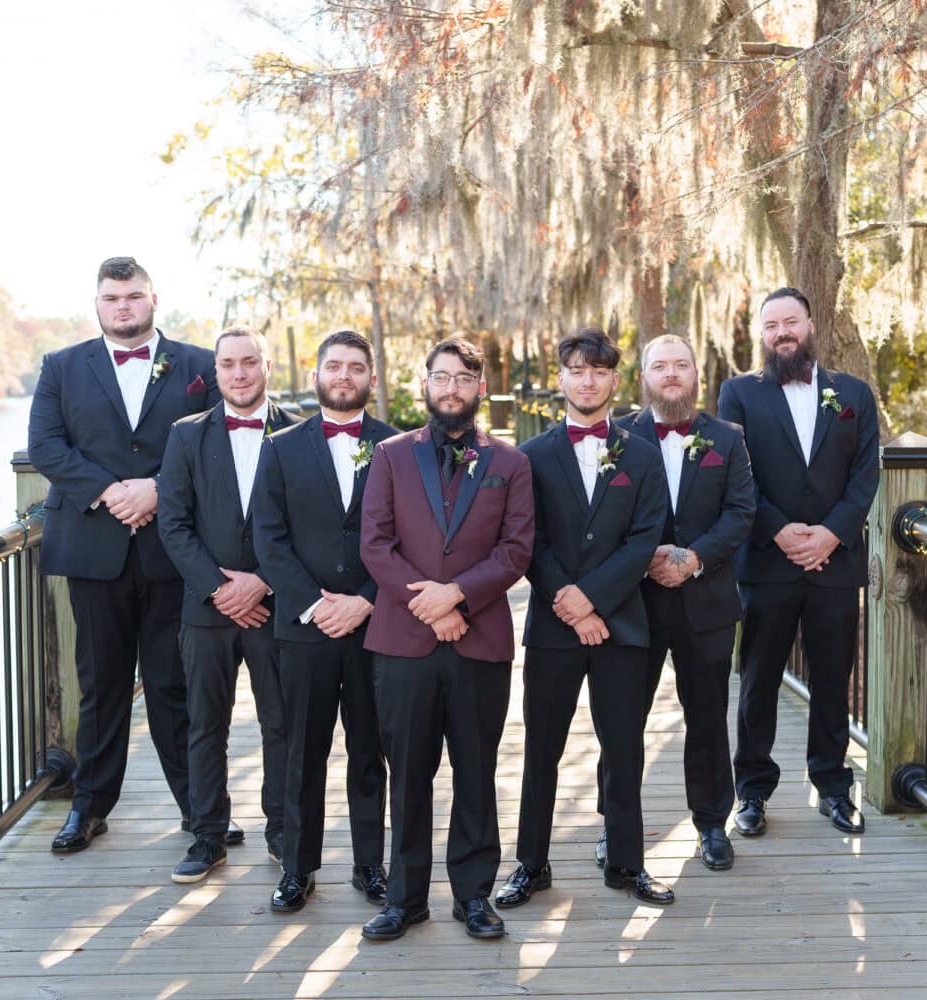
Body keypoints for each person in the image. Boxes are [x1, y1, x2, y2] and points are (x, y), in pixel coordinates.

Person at [27, 256, 219, 854]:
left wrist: (159, 488)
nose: (123, 307)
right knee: (101, 683)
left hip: (175, 551)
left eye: (133, 296)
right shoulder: (62, 366)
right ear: (98, 304)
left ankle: (200, 809)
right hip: (94, 547)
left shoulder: (198, 365)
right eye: (112, 299)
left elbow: (218, 435)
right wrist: (112, 492)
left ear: (154, 299)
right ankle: (89, 806)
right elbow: (46, 447)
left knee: (173, 684)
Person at [357, 337, 534, 942]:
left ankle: (474, 896)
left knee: (477, 770)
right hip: (403, 643)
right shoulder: (389, 455)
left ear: (479, 388)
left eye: (463, 378)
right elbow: (375, 544)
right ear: (424, 386)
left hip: (480, 640)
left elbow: (516, 550)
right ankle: (404, 899)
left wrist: (456, 596)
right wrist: (429, 605)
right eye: (441, 377)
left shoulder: (510, 464)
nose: (451, 388)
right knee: (407, 773)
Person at [496, 328, 673, 910]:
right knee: (542, 747)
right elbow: (527, 538)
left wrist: (592, 602)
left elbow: (646, 537)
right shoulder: (532, 456)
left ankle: (627, 864)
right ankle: (530, 865)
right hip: (553, 626)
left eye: (598, 371)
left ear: (614, 381)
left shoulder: (642, 457)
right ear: (561, 378)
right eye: (577, 370)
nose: (587, 380)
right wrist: (567, 602)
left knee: (623, 747)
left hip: (622, 625)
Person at [718, 287, 880, 837]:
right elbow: (734, 471)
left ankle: (834, 787)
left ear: (810, 326)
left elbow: (865, 474)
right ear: (761, 335)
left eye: (790, 322)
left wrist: (832, 535)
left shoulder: (852, 393)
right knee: (758, 681)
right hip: (767, 561)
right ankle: (753, 793)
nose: (781, 333)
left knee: (834, 678)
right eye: (771, 326)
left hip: (834, 565)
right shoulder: (739, 394)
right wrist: (780, 530)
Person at [251, 330, 398, 913]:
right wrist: (314, 603)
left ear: (371, 379)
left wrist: (364, 600)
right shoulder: (280, 447)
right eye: (334, 366)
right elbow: (268, 539)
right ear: (316, 375)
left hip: (374, 626)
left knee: (370, 749)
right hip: (302, 629)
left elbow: (403, 538)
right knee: (300, 753)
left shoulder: (396, 446)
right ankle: (297, 869)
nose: (344, 376)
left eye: (355, 367)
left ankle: (370, 866)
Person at [602, 334, 755, 872]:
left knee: (708, 717)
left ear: (696, 375)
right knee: (622, 720)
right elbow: (602, 518)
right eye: (660, 366)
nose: (671, 374)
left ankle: (712, 823)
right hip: (632, 603)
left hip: (705, 599)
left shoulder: (727, 439)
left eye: (681, 365)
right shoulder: (615, 437)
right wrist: (645, 559)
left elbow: (740, 513)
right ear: (643, 377)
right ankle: (614, 826)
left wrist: (692, 559)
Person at [157, 328, 297, 881]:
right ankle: (207, 833)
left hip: (274, 605)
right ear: (215, 372)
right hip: (205, 608)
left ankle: (284, 832)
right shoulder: (186, 436)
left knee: (280, 723)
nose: (238, 374)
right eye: (227, 365)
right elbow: (173, 522)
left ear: (267, 366)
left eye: (248, 363)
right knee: (204, 723)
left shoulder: (297, 433)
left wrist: (261, 582)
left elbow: (307, 528)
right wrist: (220, 588)